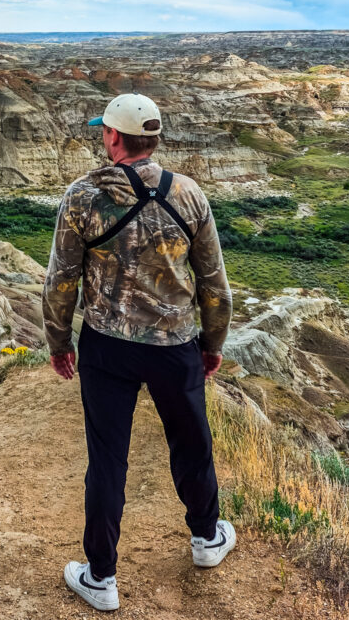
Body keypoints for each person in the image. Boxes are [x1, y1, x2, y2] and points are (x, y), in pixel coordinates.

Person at [42, 93, 234, 612]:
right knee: (192, 444)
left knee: (107, 459)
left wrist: (60, 343)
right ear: (151, 138)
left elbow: (61, 281)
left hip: (106, 347)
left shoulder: (83, 197)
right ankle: (206, 539)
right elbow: (215, 284)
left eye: (103, 130)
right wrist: (211, 345)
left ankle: (101, 577)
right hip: (175, 346)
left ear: (112, 137)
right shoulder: (189, 194)